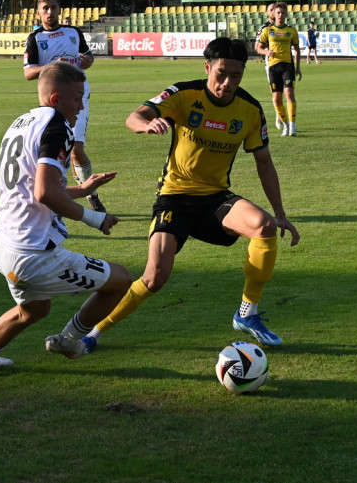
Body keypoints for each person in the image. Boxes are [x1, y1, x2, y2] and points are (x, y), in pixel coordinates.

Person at [82, 37, 299, 350]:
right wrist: (147, 124)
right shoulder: (184, 94)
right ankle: (94, 332)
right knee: (155, 277)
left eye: (235, 76)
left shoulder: (250, 110)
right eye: (221, 73)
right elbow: (135, 117)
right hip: (174, 198)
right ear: (207, 67)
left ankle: (246, 313)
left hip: (215, 199)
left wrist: (280, 215)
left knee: (264, 226)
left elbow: (264, 162)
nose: (227, 83)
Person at [0, 61, 131, 370]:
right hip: (33, 252)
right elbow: (45, 193)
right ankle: (68, 340)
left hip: (4, 243)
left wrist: (82, 188)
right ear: (55, 99)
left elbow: (33, 188)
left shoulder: (23, 121)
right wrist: (96, 219)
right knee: (121, 281)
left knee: (34, 310)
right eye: (77, 97)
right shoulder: (58, 125)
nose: (81, 105)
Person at [24, 0, 106, 212]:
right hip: (51, 101)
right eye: (45, 8)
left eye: (53, 7)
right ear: (39, 12)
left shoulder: (73, 32)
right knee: (55, 148)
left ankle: (91, 195)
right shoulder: (35, 38)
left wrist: (88, 61)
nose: (50, 12)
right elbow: (29, 73)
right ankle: (57, 193)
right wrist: (53, 66)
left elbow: (87, 57)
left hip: (78, 95)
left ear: (59, 10)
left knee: (76, 148)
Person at [256, 2, 302, 137]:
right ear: (273, 14)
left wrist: (298, 68)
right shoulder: (267, 30)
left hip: (287, 66)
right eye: (278, 13)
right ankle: (285, 125)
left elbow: (297, 50)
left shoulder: (291, 31)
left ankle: (293, 125)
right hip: (273, 67)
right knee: (276, 98)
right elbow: (258, 48)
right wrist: (267, 53)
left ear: (286, 14)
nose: (280, 15)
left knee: (289, 94)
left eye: (283, 13)